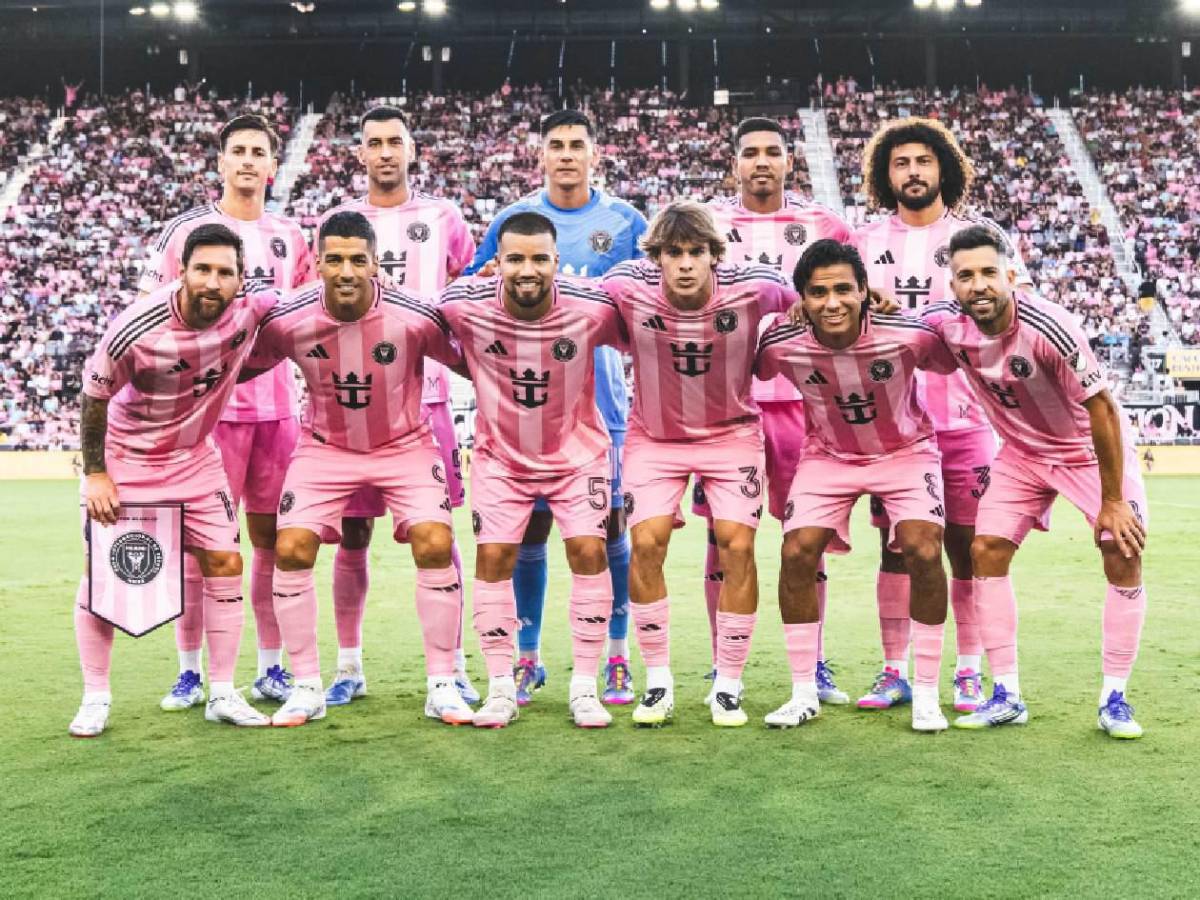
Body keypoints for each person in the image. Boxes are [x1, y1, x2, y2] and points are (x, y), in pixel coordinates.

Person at [240, 212, 471, 728]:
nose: (346, 270)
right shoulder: (289, 318)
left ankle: (443, 683)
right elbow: (241, 363)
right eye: (335, 259)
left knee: (435, 541)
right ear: (317, 263)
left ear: (375, 264)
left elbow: (469, 361)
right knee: (291, 547)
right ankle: (305, 686)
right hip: (325, 447)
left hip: (405, 444)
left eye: (357, 260)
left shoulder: (414, 315)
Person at [924, 226, 1149, 739]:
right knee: (986, 549)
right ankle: (1006, 694)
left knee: (1123, 549)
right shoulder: (948, 326)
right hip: (1023, 454)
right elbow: (900, 326)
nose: (977, 285)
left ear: (1010, 274)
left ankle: (1114, 697)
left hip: (1086, 453)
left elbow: (1104, 408)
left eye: (987, 273)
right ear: (952, 284)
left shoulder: (1050, 326)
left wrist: (1113, 500)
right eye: (965, 276)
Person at [465, 110, 645, 706]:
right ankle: (527, 655)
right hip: (525, 407)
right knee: (527, 529)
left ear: (597, 155)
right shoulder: (515, 222)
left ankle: (616, 657)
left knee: (608, 529)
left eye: (577, 146)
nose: (567, 155)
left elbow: (649, 300)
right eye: (556, 146)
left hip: (603, 403)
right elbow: (475, 293)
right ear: (540, 156)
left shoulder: (625, 222)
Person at [851, 117, 1031, 713]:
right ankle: (892, 669)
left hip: (967, 419)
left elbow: (1015, 316)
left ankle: (968, 671)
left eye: (923, 162)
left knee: (967, 546)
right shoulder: (865, 240)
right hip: (891, 425)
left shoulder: (980, 239)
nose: (913, 172)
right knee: (897, 547)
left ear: (944, 169)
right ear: (886, 174)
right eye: (901, 163)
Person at [69, 224, 279, 737]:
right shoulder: (136, 328)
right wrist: (96, 474)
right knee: (108, 580)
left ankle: (224, 692)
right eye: (202, 270)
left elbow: (296, 316)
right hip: (130, 460)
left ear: (240, 279)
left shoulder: (252, 309)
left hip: (194, 458)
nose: (213, 282)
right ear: (181, 271)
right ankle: (95, 696)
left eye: (224, 272)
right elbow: (93, 397)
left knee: (226, 561)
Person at [599, 201, 796, 728]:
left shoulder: (757, 286)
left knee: (738, 544)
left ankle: (728, 685)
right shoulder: (625, 287)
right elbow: (573, 303)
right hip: (655, 437)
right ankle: (658, 683)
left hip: (731, 435)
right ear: (656, 257)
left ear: (715, 256)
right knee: (645, 542)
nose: (685, 263)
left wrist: (868, 295)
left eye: (696, 252)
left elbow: (817, 297)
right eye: (673, 253)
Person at [140, 113, 311, 711]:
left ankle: (270, 666)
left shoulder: (292, 236)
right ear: (220, 162)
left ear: (272, 164)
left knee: (270, 541)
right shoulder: (187, 232)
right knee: (202, 549)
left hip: (278, 413)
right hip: (205, 418)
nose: (246, 161)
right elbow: (150, 313)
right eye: (236, 150)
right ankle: (190, 672)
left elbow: (303, 320)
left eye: (257, 152)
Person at [314, 105, 478, 708]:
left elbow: (466, 292)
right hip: (348, 402)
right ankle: (349, 666)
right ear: (359, 154)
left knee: (437, 533)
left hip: (426, 398)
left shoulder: (442, 217)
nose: (384, 152)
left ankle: (453, 667)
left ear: (413, 151)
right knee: (352, 533)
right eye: (373, 143)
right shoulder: (336, 221)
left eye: (395, 142)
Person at [755, 239, 956, 732]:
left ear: (865, 291)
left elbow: (950, 359)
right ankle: (804, 691)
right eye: (818, 292)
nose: (833, 302)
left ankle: (927, 693)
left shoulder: (906, 334)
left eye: (845, 289)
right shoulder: (784, 342)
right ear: (802, 298)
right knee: (797, 552)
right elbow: (758, 366)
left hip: (906, 452)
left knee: (923, 550)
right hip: (829, 455)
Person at [439, 212, 629, 729]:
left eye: (539, 259)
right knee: (494, 558)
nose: (528, 269)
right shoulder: (462, 304)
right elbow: (421, 325)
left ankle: (585, 688)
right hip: (502, 459)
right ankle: (501, 686)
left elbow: (647, 327)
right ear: (496, 263)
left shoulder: (591, 308)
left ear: (556, 263)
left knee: (590, 551)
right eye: (516, 259)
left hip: (578, 455)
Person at [697, 115, 854, 704]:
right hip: (725, 407)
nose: (761, 162)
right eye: (750, 153)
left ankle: (811, 666)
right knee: (723, 538)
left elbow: (854, 298)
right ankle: (721, 662)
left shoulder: (824, 224)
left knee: (805, 538)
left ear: (790, 161)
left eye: (772, 152)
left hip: (802, 404)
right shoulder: (708, 224)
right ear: (733, 162)